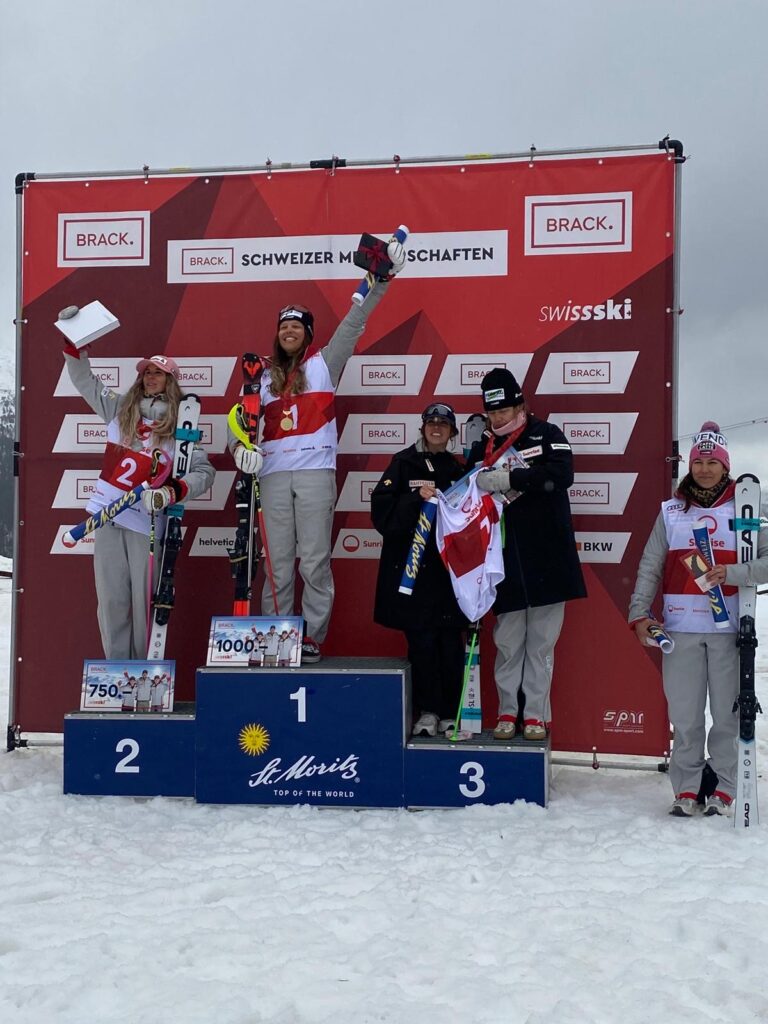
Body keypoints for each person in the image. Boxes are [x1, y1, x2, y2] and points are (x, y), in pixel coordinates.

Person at [228, 238, 406, 663]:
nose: (289, 331)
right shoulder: (259, 378)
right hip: (271, 477)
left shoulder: (325, 364)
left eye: (297, 327)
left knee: (313, 562)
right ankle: (276, 636)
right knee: (277, 566)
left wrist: (381, 281)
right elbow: (237, 426)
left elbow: (354, 321)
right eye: (283, 326)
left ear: (308, 334)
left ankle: (311, 637)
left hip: (313, 475)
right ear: (276, 334)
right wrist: (239, 452)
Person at [628, 422, 768, 817]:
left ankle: (724, 787)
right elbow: (650, 567)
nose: (705, 469)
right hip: (681, 629)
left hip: (728, 632)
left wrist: (734, 574)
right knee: (685, 716)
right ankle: (687, 789)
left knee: (726, 713)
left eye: (713, 462)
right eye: (698, 462)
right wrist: (639, 613)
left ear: (726, 466)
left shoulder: (749, 505)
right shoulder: (671, 511)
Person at [64, 345, 214, 660]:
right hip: (106, 518)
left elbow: (204, 472)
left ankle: (145, 671)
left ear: (171, 380)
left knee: (145, 601)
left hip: (145, 524)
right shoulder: (120, 408)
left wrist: (171, 492)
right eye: (147, 372)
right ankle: (119, 675)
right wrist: (73, 345)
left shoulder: (180, 427)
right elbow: (85, 381)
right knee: (111, 601)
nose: (150, 377)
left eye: (158, 372)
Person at [467, 368, 586, 741]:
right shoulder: (481, 445)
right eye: (493, 412)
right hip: (503, 561)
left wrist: (512, 479)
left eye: (505, 410)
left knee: (541, 645)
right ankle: (507, 710)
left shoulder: (547, 434)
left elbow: (563, 474)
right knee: (508, 642)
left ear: (521, 404)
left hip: (549, 557)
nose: (499, 418)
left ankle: (535, 713)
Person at [371, 402, 468, 737]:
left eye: (444, 424)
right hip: (413, 574)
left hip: (448, 576)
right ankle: (427, 712)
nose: (437, 429)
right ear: (423, 427)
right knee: (423, 643)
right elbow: (382, 517)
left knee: (451, 645)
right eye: (431, 423)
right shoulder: (403, 462)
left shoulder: (461, 470)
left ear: (453, 432)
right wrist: (416, 499)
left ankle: (450, 712)